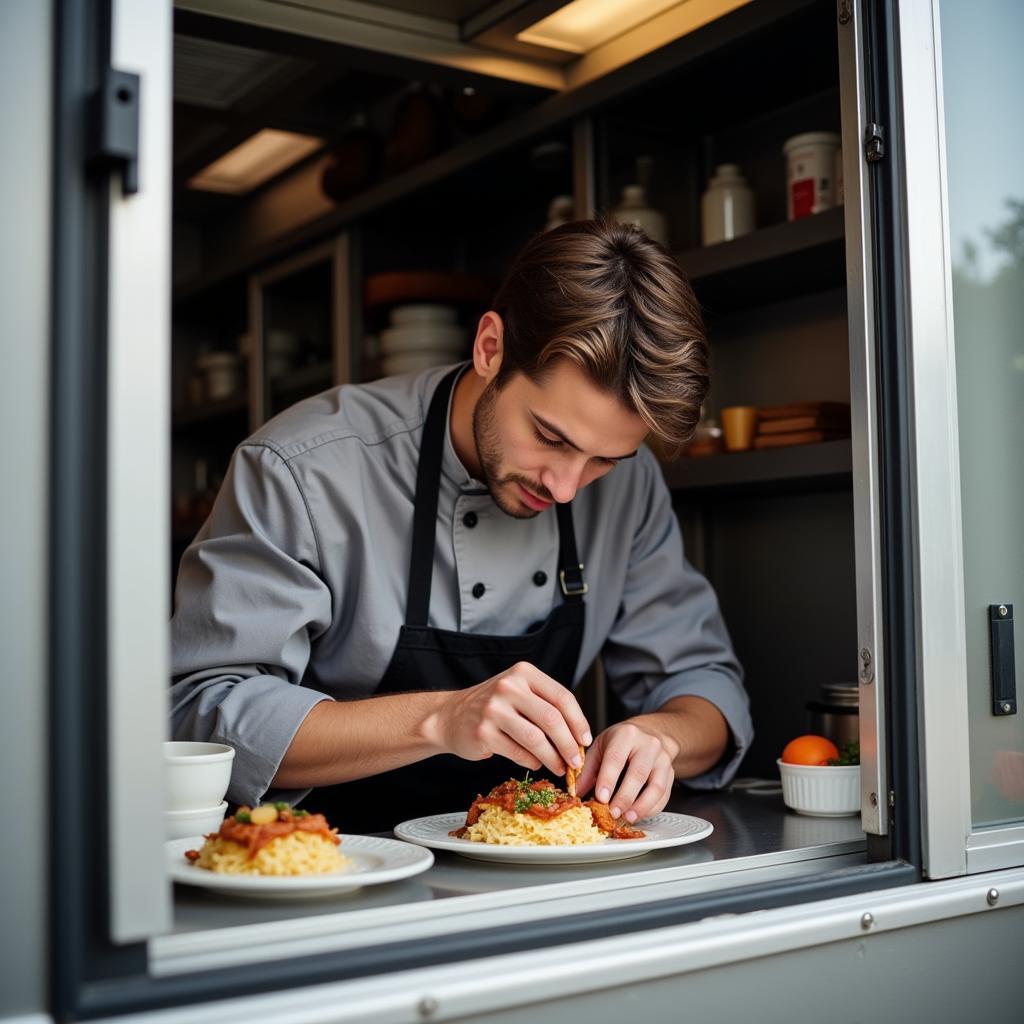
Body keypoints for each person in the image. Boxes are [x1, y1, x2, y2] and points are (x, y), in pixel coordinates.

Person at [170, 218, 752, 833]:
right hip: (330, 866)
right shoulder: (302, 469)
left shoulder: (628, 491)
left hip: (535, 878)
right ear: (490, 348)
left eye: (603, 459)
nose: (564, 487)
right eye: (549, 437)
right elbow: (200, 711)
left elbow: (707, 692)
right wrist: (442, 720)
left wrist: (659, 737)